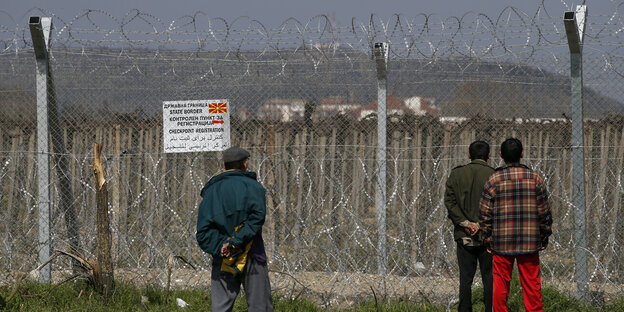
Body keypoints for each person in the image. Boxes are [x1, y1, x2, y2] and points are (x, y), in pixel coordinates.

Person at [479, 138, 553, 312]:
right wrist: (543, 236)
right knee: (532, 284)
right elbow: (544, 213)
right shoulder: (535, 179)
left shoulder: (494, 179)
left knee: (500, 283)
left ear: (500, 155)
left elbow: (484, 213)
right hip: (529, 240)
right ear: (522, 154)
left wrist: (487, 238)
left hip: (501, 241)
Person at [196, 146, 273, 312]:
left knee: (220, 307)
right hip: (252, 254)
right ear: (245, 165)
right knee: (260, 306)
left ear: (224, 165)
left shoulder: (211, 191)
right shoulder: (254, 188)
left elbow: (203, 232)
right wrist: (236, 242)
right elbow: (256, 219)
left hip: (223, 257)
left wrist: (223, 246)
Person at [445, 140, 494, 312]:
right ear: (489, 155)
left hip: (464, 235)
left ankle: (465, 309)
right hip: (488, 235)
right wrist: (480, 225)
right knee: (489, 278)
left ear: (468, 155)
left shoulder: (457, 174)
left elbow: (450, 203)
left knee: (465, 279)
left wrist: (466, 223)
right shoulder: (494, 175)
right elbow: (498, 205)